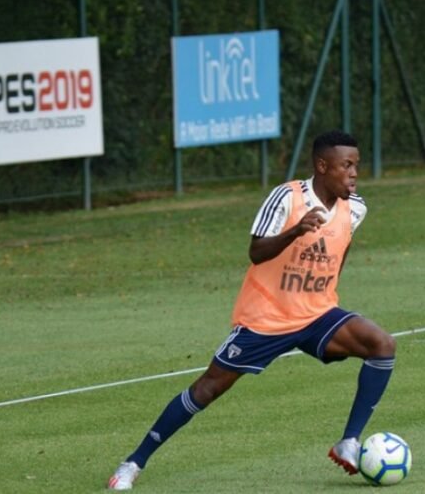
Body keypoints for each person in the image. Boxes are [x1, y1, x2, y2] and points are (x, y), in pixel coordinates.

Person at [107, 130, 396, 490]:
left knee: (382, 345)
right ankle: (134, 462)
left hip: (318, 314)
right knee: (208, 388)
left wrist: (326, 293)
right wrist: (295, 232)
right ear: (322, 166)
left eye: (357, 165)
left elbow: (341, 250)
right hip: (267, 319)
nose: (354, 173)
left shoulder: (356, 207)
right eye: (346, 165)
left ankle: (349, 441)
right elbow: (256, 252)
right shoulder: (286, 198)